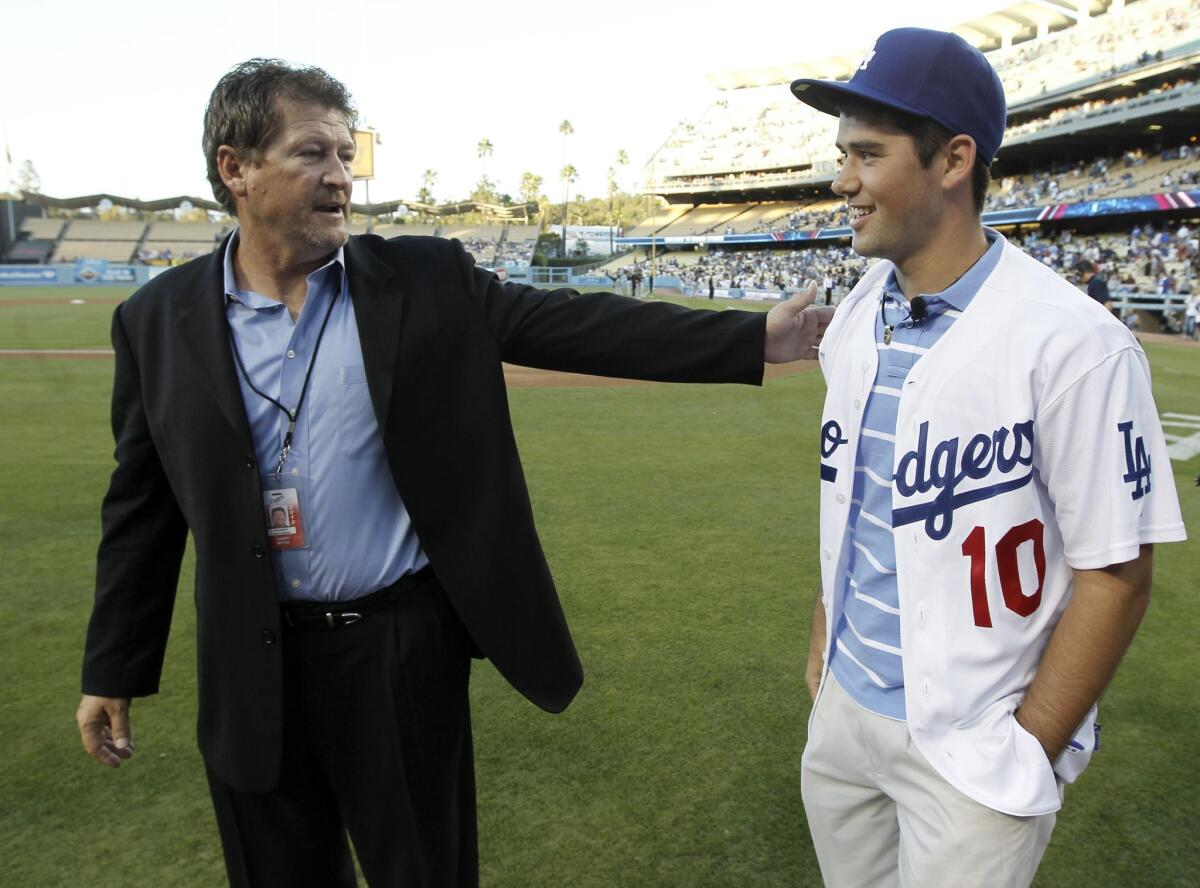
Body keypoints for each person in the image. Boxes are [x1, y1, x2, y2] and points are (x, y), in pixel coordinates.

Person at [74, 58, 831, 888]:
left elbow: (571, 326)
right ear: (236, 168)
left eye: (344, 155)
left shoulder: (422, 282)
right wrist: (113, 669)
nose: (340, 177)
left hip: (397, 652)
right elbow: (141, 514)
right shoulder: (155, 321)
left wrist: (748, 341)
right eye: (312, 154)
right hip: (250, 669)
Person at [790, 28, 1186, 887]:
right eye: (841, 154)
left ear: (953, 159)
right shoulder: (859, 315)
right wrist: (827, 639)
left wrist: (1030, 747)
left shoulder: (1078, 342)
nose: (842, 180)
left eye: (866, 153)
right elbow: (854, 500)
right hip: (846, 715)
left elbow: (1116, 573)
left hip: (977, 747)